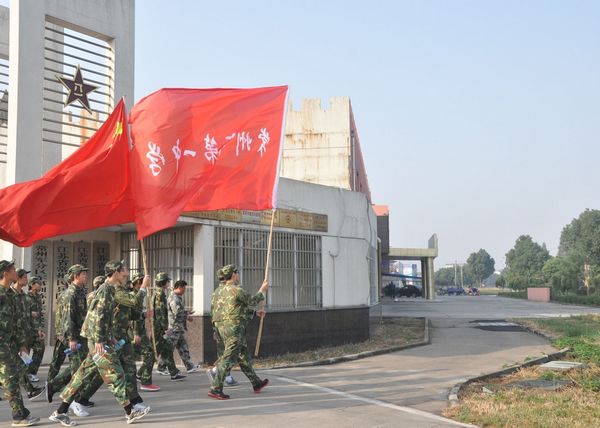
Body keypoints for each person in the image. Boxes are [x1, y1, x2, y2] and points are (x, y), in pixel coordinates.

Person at [49, 260, 150, 426]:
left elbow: (107, 317)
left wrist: (109, 336)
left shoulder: (109, 289)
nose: (126, 272)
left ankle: (60, 411)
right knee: (115, 374)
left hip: (101, 339)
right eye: (123, 270)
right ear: (116, 272)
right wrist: (99, 339)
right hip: (97, 341)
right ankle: (130, 411)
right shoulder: (106, 290)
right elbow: (98, 315)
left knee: (81, 376)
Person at [208, 264, 269, 400]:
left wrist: (254, 313)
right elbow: (251, 301)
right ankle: (216, 388)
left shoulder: (217, 291)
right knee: (229, 358)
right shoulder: (236, 289)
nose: (238, 275)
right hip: (233, 329)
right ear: (233, 274)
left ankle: (256, 383)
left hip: (221, 327)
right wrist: (262, 290)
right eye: (237, 272)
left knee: (243, 356)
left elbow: (227, 309)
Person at [45, 265, 95, 417]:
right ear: (76, 276)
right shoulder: (70, 294)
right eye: (83, 274)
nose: (86, 276)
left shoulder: (80, 292)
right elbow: (68, 319)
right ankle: (73, 402)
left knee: (79, 368)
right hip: (75, 338)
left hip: (82, 336)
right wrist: (72, 339)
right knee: (78, 371)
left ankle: (54, 385)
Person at [0, 260, 39, 426]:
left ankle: (21, 414)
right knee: (11, 378)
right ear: (6, 273)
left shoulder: (10, 294)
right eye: (13, 269)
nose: (16, 271)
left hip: (7, 343)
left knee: (12, 377)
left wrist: (21, 343)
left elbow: (15, 321)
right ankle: (19, 416)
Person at [11, 269, 45, 401]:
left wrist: (37, 330)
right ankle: (29, 391)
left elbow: (26, 319)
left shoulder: (23, 297)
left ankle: (30, 391)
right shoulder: (9, 295)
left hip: (20, 336)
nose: (27, 280)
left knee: (17, 365)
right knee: (15, 366)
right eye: (24, 277)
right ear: (17, 279)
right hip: (8, 338)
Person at [157, 280, 200, 374]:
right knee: (169, 348)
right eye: (184, 288)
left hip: (178, 328)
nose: (185, 290)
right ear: (180, 287)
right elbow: (177, 313)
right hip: (174, 328)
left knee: (183, 347)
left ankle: (189, 366)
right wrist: (187, 317)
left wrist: (187, 312)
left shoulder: (177, 297)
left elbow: (179, 310)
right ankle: (161, 367)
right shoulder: (174, 298)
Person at [206, 268, 239, 387]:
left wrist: (214, 327)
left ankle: (225, 376)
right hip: (227, 325)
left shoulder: (216, 291)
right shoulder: (227, 290)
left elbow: (212, 310)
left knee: (223, 353)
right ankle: (218, 373)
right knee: (229, 353)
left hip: (218, 325)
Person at [152, 272, 185, 381]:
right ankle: (142, 373)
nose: (169, 283)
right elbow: (160, 313)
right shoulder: (159, 294)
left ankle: (174, 373)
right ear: (163, 282)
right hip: (159, 328)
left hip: (159, 327)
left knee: (166, 350)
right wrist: (165, 328)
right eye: (167, 281)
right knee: (152, 353)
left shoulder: (158, 293)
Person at [131, 273, 160, 392]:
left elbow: (138, 315)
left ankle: (139, 376)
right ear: (139, 282)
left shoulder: (138, 295)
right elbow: (132, 318)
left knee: (130, 357)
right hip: (136, 332)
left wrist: (145, 314)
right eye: (143, 281)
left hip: (140, 330)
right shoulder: (134, 295)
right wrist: (136, 333)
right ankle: (146, 381)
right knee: (149, 354)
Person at [47, 275, 70, 383]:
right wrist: (60, 332)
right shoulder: (64, 295)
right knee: (57, 360)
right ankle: (50, 382)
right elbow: (59, 315)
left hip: (70, 333)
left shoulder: (75, 294)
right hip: (63, 333)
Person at [27, 276, 46, 382]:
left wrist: (41, 328)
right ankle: (21, 374)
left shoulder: (38, 297)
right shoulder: (26, 297)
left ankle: (31, 372)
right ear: (32, 284)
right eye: (38, 283)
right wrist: (30, 314)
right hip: (28, 329)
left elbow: (40, 315)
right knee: (24, 353)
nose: (40, 285)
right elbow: (21, 312)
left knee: (40, 349)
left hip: (37, 329)